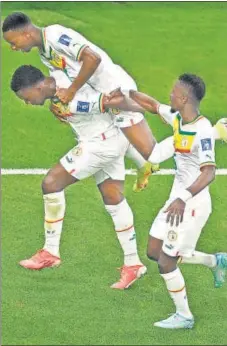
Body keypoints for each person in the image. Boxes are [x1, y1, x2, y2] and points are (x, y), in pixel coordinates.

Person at [10, 64, 154, 290]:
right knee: (114, 200)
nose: (26, 103)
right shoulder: (59, 80)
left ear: (38, 87)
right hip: (112, 138)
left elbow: (108, 102)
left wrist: (155, 108)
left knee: (51, 183)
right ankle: (133, 264)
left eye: (25, 97)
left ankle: (50, 251)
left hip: (100, 145)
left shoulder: (70, 98)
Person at [113, 73, 227, 328]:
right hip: (177, 200)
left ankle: (184, 316)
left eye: (174, 92)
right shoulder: (178, 117)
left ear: (185, 98)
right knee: (154, 251)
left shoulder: (203, 131)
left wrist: (184, 199)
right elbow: (153, 106)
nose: (170, 95)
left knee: (167, 261)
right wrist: (127, 93)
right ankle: (215, 261)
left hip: (192, 204)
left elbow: (209, 172)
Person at [2, 11, 160, 192]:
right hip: (97, 91)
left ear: (26, 34)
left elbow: (92, 58)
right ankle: (146, 164)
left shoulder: (55, 36)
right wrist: (57, 102)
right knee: (115, 133)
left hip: (114, 86)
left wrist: (71, 91)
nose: (13, 48)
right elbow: (62, 76)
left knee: (152, 151)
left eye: (13, 42)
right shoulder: (44, 53)